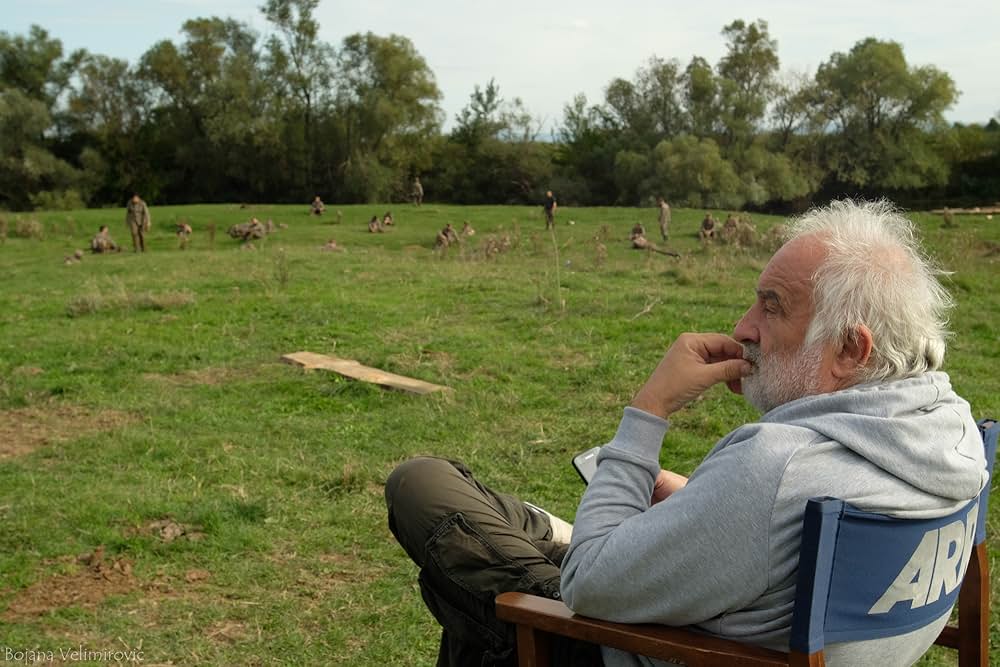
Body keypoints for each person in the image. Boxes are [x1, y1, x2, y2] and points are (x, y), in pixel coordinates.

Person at [385, 199, 987, 667]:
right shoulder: (955, 436)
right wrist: (701, 497)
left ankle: (547, 535)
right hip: (788, 638)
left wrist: (652, 406)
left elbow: (586, 585)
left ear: (851, 349)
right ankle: (543, 532)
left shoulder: (776, 467)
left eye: (772, 307)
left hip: (620, 643)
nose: (744, 326)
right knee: (482, 557)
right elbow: (792, 531)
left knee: (423, 489)